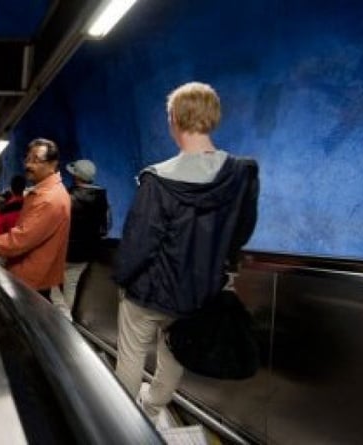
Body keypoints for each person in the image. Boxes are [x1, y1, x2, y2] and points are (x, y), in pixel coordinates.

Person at [112, 82, 259, 427]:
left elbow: (139, 242)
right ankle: (153, 407)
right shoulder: (241, 174)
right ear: (214, 118)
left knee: (132, 355)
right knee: (175, 351)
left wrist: (123, 280)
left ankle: (118, 421)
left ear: (174, 119)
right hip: (199, 293)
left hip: (150, 291)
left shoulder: (157, 179)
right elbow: (242, 230)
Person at [0, 138, 71, 301]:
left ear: (53, 164)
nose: (28, 165)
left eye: (36, 160)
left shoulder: (49, 198)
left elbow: (18, 241)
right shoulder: (43, 193)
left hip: (31, 284)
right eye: (27, 159)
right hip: (30, 280)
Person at [63, 159, 110, 315]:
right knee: (72, 284)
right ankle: (66, 318)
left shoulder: (68, 197)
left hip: (64, 252)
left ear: (77, 176)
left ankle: (61, 319)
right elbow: (106, 226)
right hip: (87, 253)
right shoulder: (101, 197)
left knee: (53, 284)